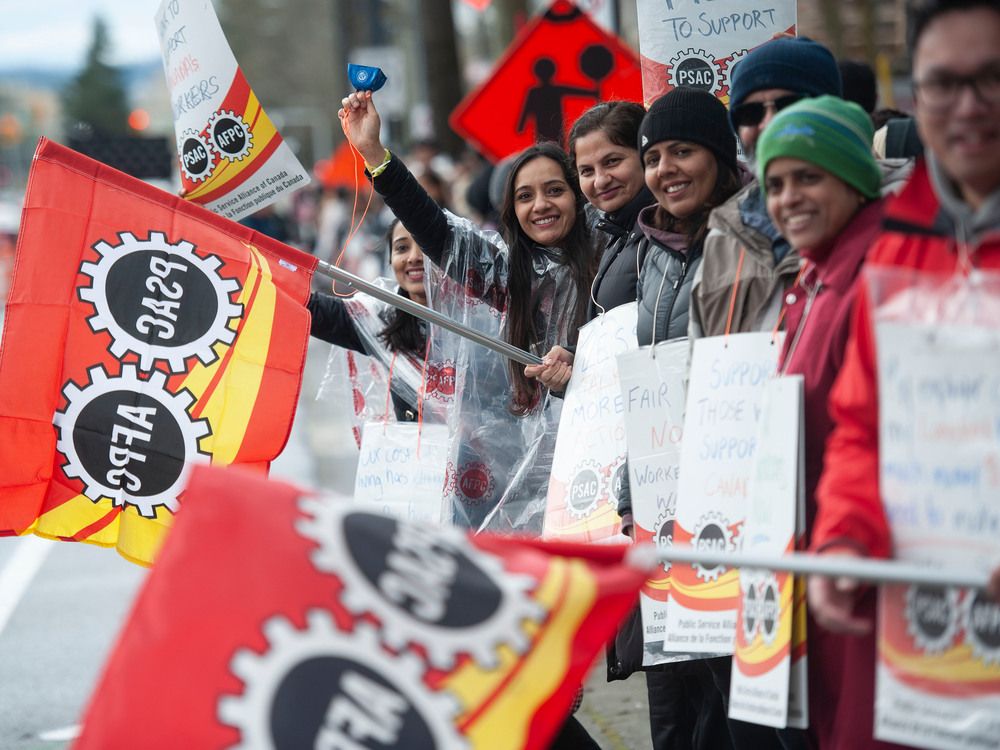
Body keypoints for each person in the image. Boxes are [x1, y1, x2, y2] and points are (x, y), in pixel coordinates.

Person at [808, 0, 1000, 747]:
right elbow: (862, 426)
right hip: (922, 640)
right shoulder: (898, 248)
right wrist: (844, 539)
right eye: (945, 84)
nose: (969, 107)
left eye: (992, 78)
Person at [755, 94, 888, 750]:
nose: (787, 198)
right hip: (819, 569)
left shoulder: (877, 276)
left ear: (855, 180)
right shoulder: (814, 277)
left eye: (809, 177)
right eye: (775, 183)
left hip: (869, 574)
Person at [690, 37, 843, 341]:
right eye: (750, 113)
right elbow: (697, 369)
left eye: (790, 106)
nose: (770, 124)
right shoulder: (723, 235)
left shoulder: (898, 216)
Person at [307, 220, 429, 422]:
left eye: (425, 246)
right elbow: (313, 308)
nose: (414, 257)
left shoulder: (478, 323)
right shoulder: (380, 320)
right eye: (401, 248)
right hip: (414, 452)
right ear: (390, 261)